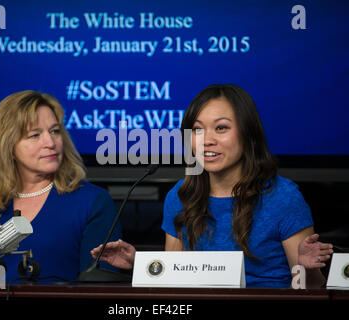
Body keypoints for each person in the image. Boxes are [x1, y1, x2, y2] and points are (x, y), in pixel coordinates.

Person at [91, 84, 333, 288]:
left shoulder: (284, 196)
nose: (207, 140)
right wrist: (141, 265)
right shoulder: (180, 195)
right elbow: (172, 282)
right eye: (197, 129)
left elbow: (308, 291)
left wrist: (308, 271)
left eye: (221, 128)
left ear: (247, 134)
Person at [0, 90, 121, 282]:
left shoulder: (92, 202)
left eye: (55, 131)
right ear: (8, 146)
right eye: (34, 135)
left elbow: (100, 287)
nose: (50, 143)